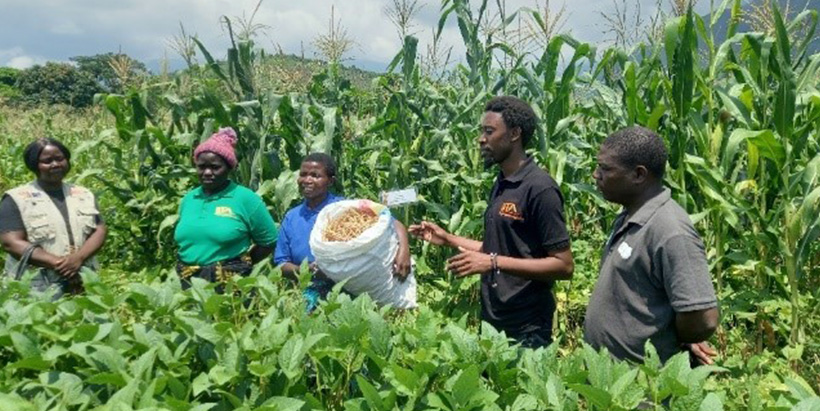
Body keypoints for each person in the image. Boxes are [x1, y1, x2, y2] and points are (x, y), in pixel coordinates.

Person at [409, 96, 574, 348]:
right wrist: (448, 239)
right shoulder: (502, 182)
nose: (481, 139)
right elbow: (502, 248)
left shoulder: (540, 189)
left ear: (515, 134)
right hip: (494, 321)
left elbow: (563, 266)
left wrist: (492, 263)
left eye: (489, 131)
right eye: (481, 131)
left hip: (527, 328)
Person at [584, 126, 719, 365]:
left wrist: (679, 335)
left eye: (605, 168)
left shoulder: (670, 230)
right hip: (614, 381)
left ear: (638, 175)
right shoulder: (630, 216)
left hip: (645, 387)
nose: (596, 175)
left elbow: (703, 318)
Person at [274, 152, 412, 312]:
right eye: (303, 175)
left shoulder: (346, 208)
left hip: (352, 289)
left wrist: (404, 250)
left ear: (330, 181)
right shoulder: (292, 217)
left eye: (315, 175)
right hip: (309, 292)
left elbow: (392, 222)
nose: (307, 180)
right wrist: (306, 271)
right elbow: (281, 264)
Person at [0, 138, 107, 298]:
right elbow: (11, 243)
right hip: (36, 285)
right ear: (34, 165)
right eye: (47, 161)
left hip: (83, 278)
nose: (55, 164)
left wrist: (78, 258)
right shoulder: (17, 198)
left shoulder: (83, 194)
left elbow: (99, 229)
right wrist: (63, 265)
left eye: (60, 158)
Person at [174, 127, 278, 289]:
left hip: (229, 283)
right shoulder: (189, 198)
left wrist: (240, 265)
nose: (207, 172)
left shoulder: (244, 198)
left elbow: (269, 241)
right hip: (188, 280)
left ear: (230, 168)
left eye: (215, 167)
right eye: (202, 167)